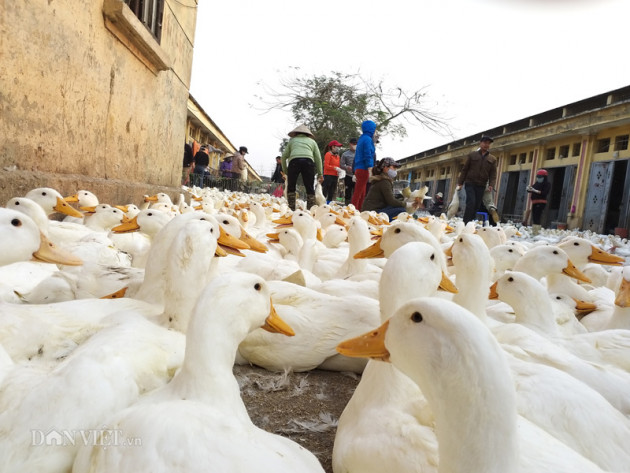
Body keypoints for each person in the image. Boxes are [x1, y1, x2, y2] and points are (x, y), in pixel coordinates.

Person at [456, 135, 498, 224]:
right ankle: (466, 223)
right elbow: (465, 169)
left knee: (477, 205)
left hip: (482, 185)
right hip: (470, 183)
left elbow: (493, 174)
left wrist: (491, 184)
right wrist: (460, 182)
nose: (486, 145)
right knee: (471, 202)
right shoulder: (472, 155)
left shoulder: (492, 159)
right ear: (480, 143)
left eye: (488, 143)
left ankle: (470, 222)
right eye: (485, 143)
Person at [281, 124, 323, 211]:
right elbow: (318, 158)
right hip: (308, 162)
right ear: (308, 134)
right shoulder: (312, 142)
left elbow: (284, 157)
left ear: (296, 133)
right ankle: (310, 210)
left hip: (294, 162)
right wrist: (320, 173)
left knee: (291, 186)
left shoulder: (292, 141)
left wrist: (285, 172)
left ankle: (291, 209)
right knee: (309, 187)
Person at [351, 120, 377, 210]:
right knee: (358, 194)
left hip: (359, 168)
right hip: (364, 169)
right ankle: (353, 211)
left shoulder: (362, 138)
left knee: (361, 193)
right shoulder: (368, 139)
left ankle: (358, 210)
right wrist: (370, 168)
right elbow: (368, 154)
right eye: (374, 129)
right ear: (371, 129)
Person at [526, 169, 551, 235]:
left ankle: (537, 232)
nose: (538, 178)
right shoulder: (536, 184)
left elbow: (544, 193)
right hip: (534, 202)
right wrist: (529, 189)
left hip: (541, 202)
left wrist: (535, 191)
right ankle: (534, 231)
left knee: (537, 216)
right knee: (534, 216)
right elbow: (532, 189)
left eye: (540, 177)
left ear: (544, 177)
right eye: (538, 177)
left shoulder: (547, 184)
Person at [340, 138, 357, 205]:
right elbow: (341, 164)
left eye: (356, 144)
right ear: (350, 144)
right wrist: (347, 167)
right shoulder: (345, 154)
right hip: (348, 176)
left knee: (356, 192)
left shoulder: (360, 153)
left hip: (357, 176)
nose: (354, 145)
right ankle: (347, 205)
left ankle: (355, 207)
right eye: (353, 144)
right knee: (348, 192)